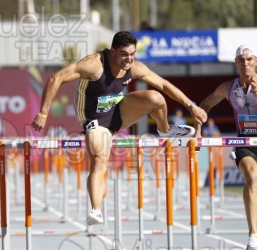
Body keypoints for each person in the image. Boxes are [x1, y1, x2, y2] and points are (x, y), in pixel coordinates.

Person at [31, 31, 207, 226]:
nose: (129, 59)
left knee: (156, 98)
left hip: (118, 111)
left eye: (132, 54)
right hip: (94, 118)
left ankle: (165, 130)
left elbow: (164, 85)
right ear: (113, 51)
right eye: (124, 54)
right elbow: (55, 78)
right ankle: (96, 209)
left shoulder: (134, 66)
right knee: (99, 161)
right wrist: (43, 113)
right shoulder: (94, 64)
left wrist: (191, 106)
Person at [195, 45, 257, 250]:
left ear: (256, 61)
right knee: (251, 177)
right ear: (236, 63)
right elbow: (203, 106)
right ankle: (253, 233)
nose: (246, 64)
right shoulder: (227, 87)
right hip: (243, 142)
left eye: (249, 59)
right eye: (241, 60)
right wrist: (197, 132)